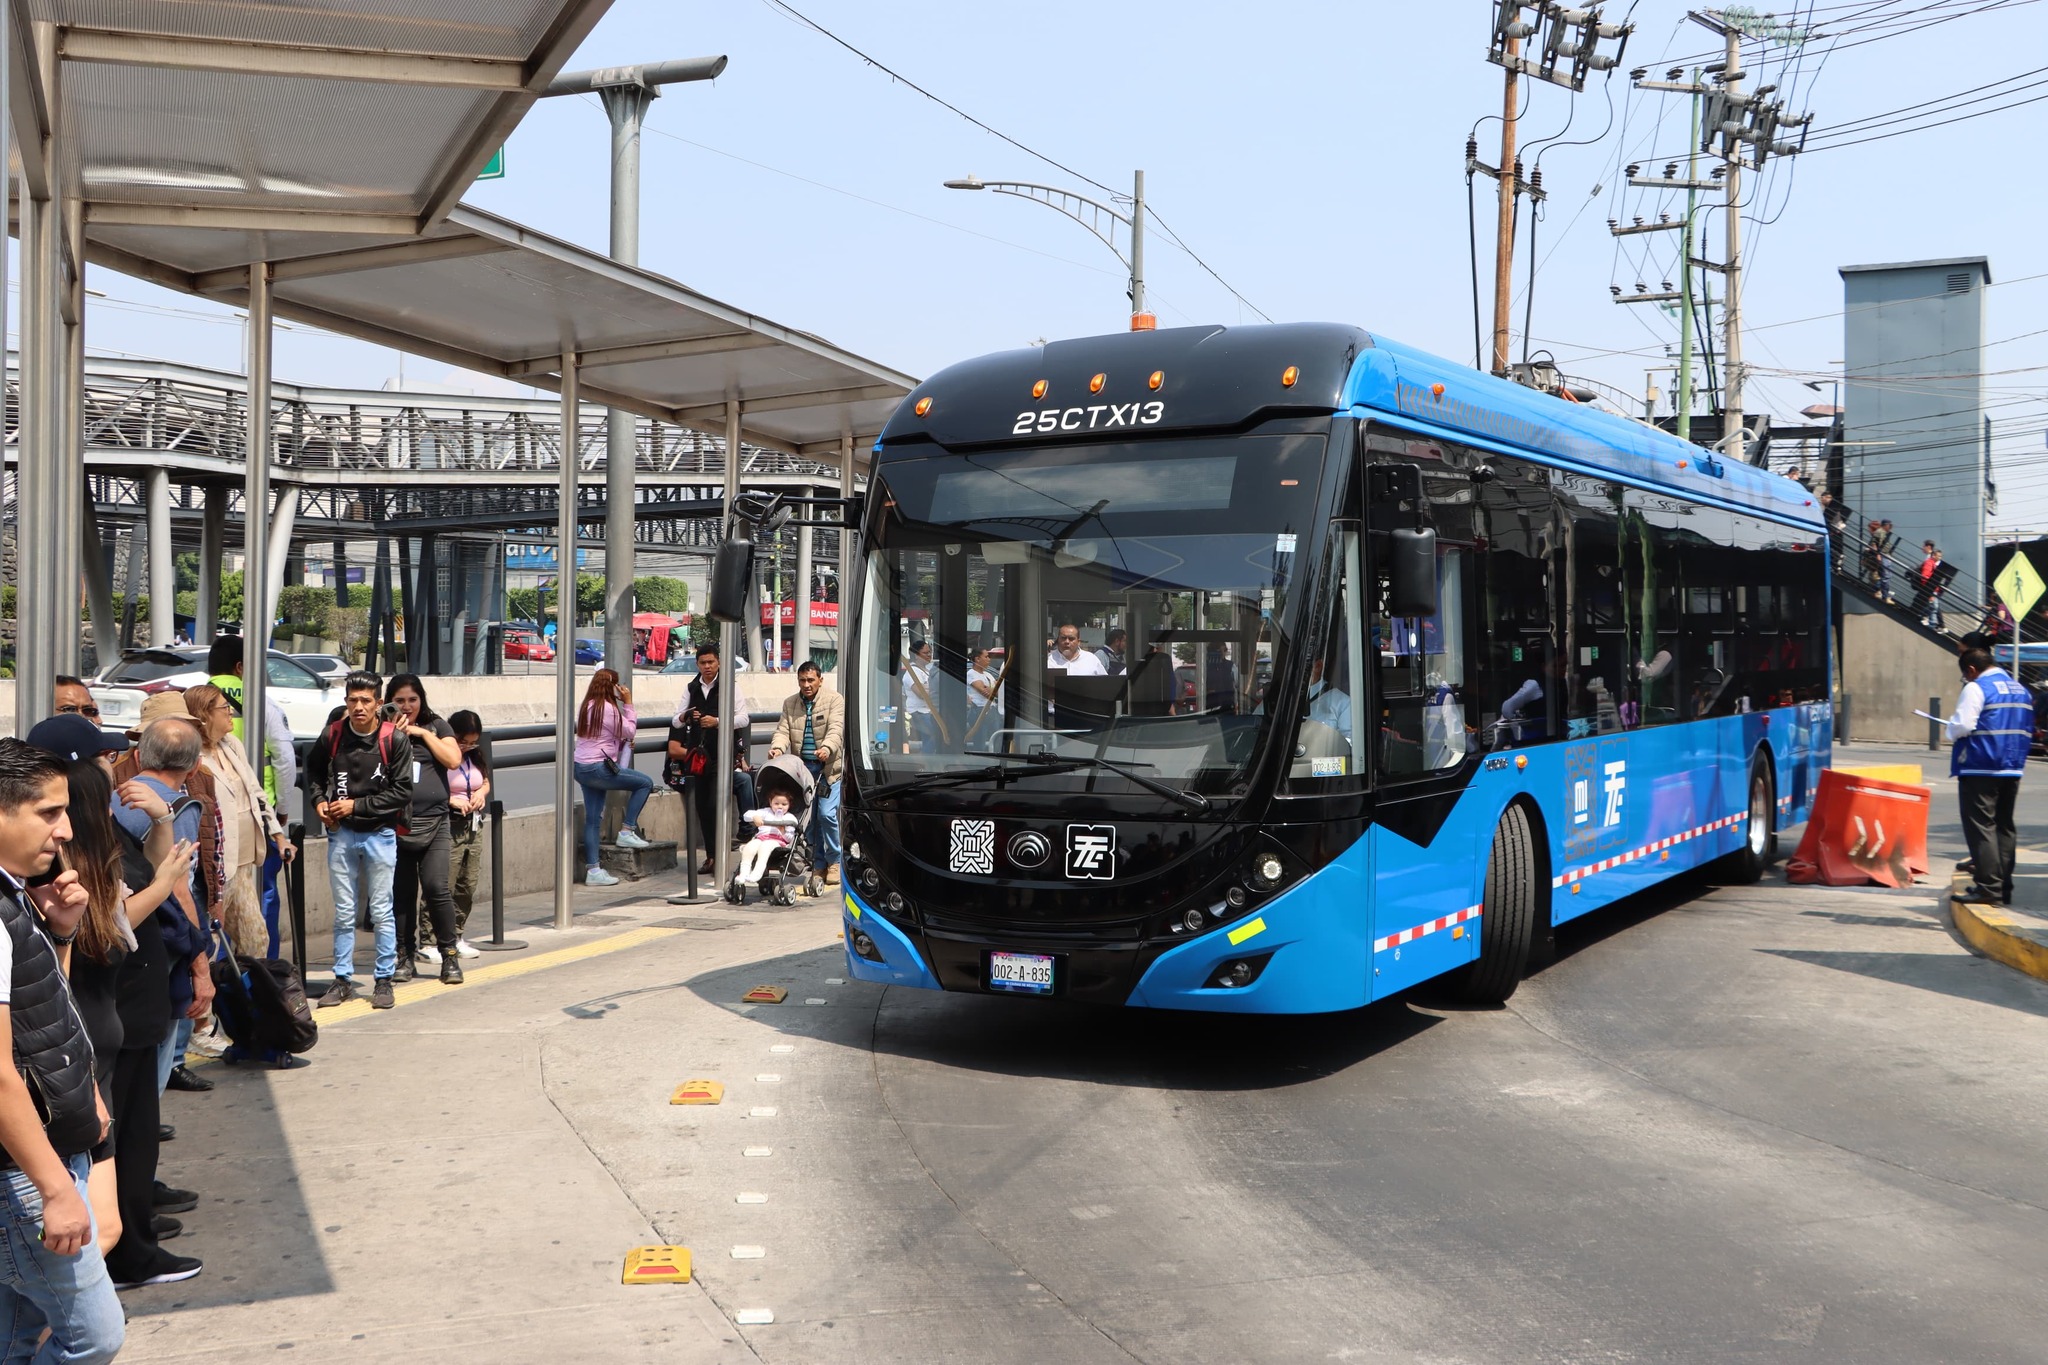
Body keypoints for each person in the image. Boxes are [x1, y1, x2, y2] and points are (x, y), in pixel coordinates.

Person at [0, 738, 129, 1353]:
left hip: (41, 1162)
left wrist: (60, 932)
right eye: (48, 812)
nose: (66, 830)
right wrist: (54, 1189)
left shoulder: (15, 897)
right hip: (25, 1176)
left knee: (14, 1340)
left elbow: (45, 1017)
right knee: (93, 1339)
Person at [306, 671, 414, 1012]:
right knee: (343, 912)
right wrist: (319, 802)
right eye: (353, 700)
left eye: (366, 700)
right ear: (346, 701)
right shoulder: (333, 734)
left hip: (380, 833)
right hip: (341, 833)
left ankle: (383, 979)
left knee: (381, 910)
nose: (359, 707)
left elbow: (402, 791)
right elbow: (312, 771)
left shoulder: (394, 739)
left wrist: (357, 805)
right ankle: (342, 979)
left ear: (379, 703)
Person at [205, 635, 298, 959]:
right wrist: (282, 811)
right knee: (263, 895)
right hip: (256, 820)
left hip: (211, 827)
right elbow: (284, 760)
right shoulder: (262, 703)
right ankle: (263, 973)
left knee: (214, 911)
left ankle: (220, 974)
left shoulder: (194, 702)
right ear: (241, 667)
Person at [184, 683, 292, 961]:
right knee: (208, 944)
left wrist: (278, 836)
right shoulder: (192, 757)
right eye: (224, 708)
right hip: (215, 868)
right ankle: (209, 989)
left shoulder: (232, 745)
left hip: (242, 864)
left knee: (256, 939)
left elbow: (256, 792)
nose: (231, 712)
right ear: (204, 715)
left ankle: (241, 988)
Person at [382, 675, 463, 983]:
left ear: (421, 700)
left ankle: (449, 957)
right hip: (397, 825)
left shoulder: (437, 726)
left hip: (435, 822)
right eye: (399, 701)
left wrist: (421, 733)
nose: (406, 706)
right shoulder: (382, 730)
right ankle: (404, 957)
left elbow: (453, 759)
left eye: (412, 700)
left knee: (436, 888)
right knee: (402, 893)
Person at [1946, 647, 2035, 907]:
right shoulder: (2021, 689)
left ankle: (1988, 887)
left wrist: (1950, 728)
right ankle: (2002, 887)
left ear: (1971, 670)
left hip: (1980, 765)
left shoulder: (1977, 687)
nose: (1966, 680)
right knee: (2004, 826)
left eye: (1965, 675)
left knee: (1982, 828)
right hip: (2012, 765)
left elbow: (1963, 724)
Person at [573, 669, 655, 890]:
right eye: (617, 685)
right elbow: (629, 730)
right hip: (598, 768)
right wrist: (628, 703)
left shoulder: (587, 705)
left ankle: (593, 871)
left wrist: (621, 744)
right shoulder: (608, 709)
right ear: (612, 686)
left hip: (581, 767)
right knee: (645, 783)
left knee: (593, 819)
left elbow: (605, 737)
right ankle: (627, 831)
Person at [768, 662, 844, 886]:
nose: (807, 685)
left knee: (826, 815)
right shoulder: (790, 703)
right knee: (809, 821)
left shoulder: (834, 700)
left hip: (829, 769)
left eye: (811, 680)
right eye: (802, 680)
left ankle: (834, 860)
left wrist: (827, 748)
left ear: (820, 680)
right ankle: (818, 864)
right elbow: (783, 731)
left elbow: (836, 729)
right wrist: (778, 748)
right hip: (803, 770)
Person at [678, 646, 752, 877]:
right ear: (697, 665)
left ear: (718, 662)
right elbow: (676, 720)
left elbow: (743, 718)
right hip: (698, 756)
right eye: (703, 663)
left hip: (722, 754)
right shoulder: (691, 688)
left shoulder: (730, 687)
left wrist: (718, 721)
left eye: (711, 662)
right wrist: (688, 715)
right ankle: (711, 856)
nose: (707, 667)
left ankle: (720, 856)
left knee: (715, 803)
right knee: (702, 806)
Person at [444, 711, 490, 958]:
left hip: (473, 823)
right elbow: (429, 788)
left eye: (473, 742)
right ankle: (433, 939)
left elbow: (485, 781)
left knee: (467, 884)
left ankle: (457, 934)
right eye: (463, 742)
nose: (467, 747)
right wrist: (451, 799)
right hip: (449, 824)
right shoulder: (442, 755)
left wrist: (481, 792)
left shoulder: (474, 755)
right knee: (444, 885)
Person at [734, 792, 798, 886]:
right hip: (761, 838)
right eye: (776, 803)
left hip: (777, 842)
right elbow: (747, 815)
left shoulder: (790, 818)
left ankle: (757, 872)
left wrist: (782, 830)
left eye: (784, 804)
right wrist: (755, 817)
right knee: (749, 847)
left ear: (789, 804)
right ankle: (744, 873)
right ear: (770, 802)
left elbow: (789, 838)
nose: (780, 807)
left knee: (765, 846)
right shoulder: (766, 812)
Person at [902, 639, 942, 751]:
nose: (929, 655)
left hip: (929, 711)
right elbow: (921, 693)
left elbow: (929, 690)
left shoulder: (928, 671)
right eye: (925, 653)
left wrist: (928, 689)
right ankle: (926, 758)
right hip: (919, 711)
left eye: (930, 652)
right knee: (933, 736)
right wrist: (933, 690)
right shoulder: (912, 672)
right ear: (916, 655)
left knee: (931, 737)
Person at [1919, 542, 1947, 629]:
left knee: (1933, 607)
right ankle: (1932, 624)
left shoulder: (1932, 564)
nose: (1940, 558)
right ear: (1934, 555)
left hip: (1932, 588)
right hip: (1930, 588)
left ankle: (1929, 621)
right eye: (1939, 556)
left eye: (1941, 556)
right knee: (1934, 607)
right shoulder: (1929, 563)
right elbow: (1925, 576)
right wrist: (1929, 590)